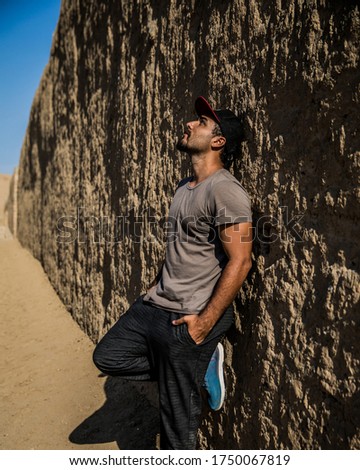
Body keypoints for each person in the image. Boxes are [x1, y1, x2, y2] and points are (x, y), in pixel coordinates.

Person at [93, 96, 253, 450]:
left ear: (218, 141)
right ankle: (200, 365)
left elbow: (240, 261)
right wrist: (154, 286)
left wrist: (205, 322)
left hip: (189, 316)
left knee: (176, 429)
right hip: (156, 305)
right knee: (107, 356)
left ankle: (200, 355)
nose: (191, 124)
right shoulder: (184, 187)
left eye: (201, 122)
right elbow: (179, 246)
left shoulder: (225, 190)